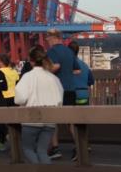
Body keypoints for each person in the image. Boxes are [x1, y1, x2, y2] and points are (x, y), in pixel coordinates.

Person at [14, 46, 64, 164]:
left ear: (31, 61)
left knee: (28, 149)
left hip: (31, 119)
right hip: (50, 120)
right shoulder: (54, 78)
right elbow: (59, 100)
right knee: (42, 151)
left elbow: (19, 99)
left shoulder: (28, 77)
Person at [45, 29, 81, 160]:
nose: (46, 41)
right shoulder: (69, 51)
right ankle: (79, 147)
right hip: (71, 89)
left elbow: (56, 66)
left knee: (52, 120)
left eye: (47, 38)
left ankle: (55, 148)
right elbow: (77, 70)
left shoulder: (52, 51)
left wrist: (43, 71)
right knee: (71, 121)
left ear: (52, 38)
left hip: (56, 90)